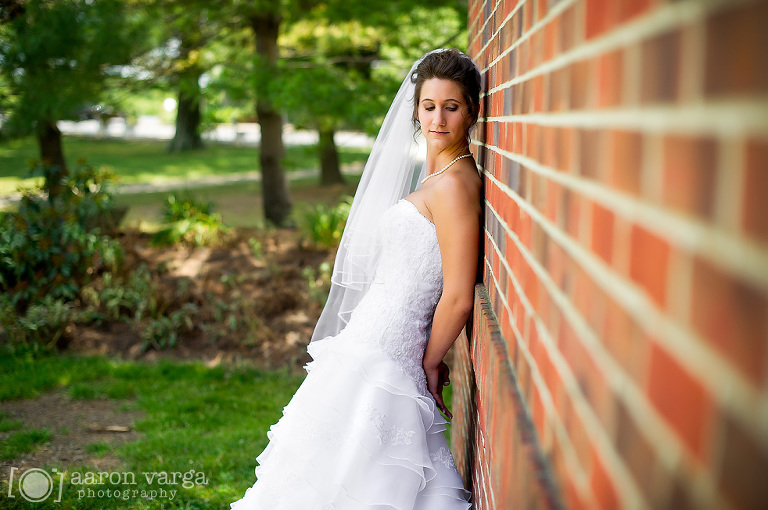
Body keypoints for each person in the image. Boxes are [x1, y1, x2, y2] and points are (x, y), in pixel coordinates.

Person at [231, 48, 482, 509]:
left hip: (394, 347)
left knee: (359, 473)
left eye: (453, 107)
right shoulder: (440, 176)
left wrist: (429, 362)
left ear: (472, 111)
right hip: (370, 338)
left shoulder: (455, 186)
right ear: (416, 110)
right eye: (429, 107)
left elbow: (460, 298)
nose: (439, 119)